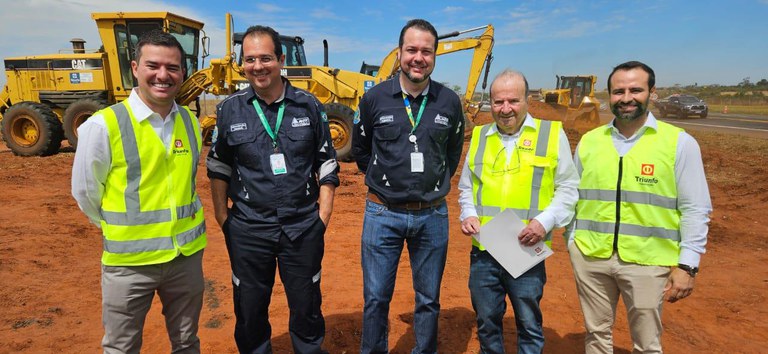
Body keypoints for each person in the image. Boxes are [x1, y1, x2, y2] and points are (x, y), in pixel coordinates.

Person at [71, 30, 207, 353]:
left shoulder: (190, 123)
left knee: (187, 342)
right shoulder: (104, 125)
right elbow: (85, 192)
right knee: (122, 346)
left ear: (183, 73)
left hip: (184, 258)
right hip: (129, 265)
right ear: (135, 68)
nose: (163, 75)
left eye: (172, 67)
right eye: (153, 65)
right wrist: (120, 229)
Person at [206, 25, 338, 354]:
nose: (258, 66)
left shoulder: (309, 106)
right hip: (249, 229)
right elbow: (219, 166)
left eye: (266, 58)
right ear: (242, 64)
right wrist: (224, 219)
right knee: (249, 309)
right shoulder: (228, 110)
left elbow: (327, 163)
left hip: (302, 226)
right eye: (250, 59)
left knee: (307, 305)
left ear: (280, 60)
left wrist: (322, 216)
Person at [567, 61, 712, 353]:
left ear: (652, 93)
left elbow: (695, 207)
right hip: (591, 256)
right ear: (609, 96)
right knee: (596, 335)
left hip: (648, 260)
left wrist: (688, 264)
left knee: (647, 344)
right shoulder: (590, 142)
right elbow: (571, 195)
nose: (626, 97)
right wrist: (572, 240)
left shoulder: (678, 143)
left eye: (635, 89)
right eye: (618, 91)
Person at [351, 18, 465, 354]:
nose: (418, 57)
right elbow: (361, 150)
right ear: (400, 52)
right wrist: (384, 180)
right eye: (411, 50)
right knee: (375, 299)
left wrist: (431, 184)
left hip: (432, 216)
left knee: (428, 299)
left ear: (435, 56)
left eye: (426, 51)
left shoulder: (449, 102)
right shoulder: (374, 100)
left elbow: (453, 152)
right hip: (382, 213)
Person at [458, 69, 579, 354]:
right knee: (487, 321)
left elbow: (569, 188)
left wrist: (543, 222)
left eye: (513, 101)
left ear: (527, 100)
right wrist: (468, 214)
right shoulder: (480, 136)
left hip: (527, 250)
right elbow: (467, 187)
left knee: (528, 324)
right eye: (498, 102)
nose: (505, 109)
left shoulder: (551, 135)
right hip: (485, 251)